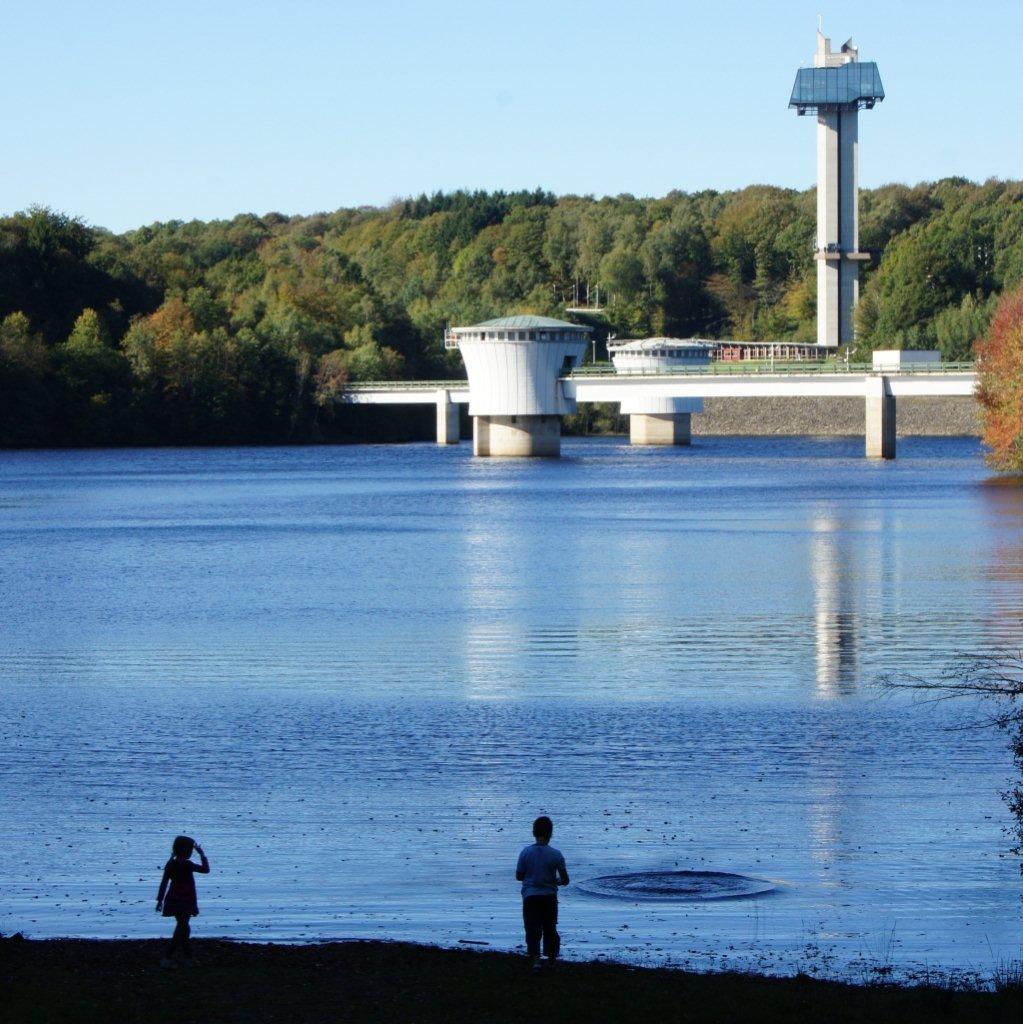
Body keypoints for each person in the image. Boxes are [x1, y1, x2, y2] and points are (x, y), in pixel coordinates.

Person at [515, 815, 569, 973]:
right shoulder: (556, 854)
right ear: (551, 834)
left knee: (532, 928)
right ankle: (551, 960)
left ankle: (536, 962)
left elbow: (519, 876)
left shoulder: (525, 852)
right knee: (550, 928)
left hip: (530, 896)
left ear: (533, 832)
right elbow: (565, 880)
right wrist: (555, 881)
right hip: (549, 896)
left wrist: (532, 877)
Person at [156, 835, 210, 967]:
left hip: (173, 900)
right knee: (182, 929)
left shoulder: (171, 864)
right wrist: (202, 854)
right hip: (185, 900)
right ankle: (169, 958)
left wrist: (160, 900)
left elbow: (163, 883)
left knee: (183, 928)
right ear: (184, 850)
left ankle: (187, 958)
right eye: (190, 849)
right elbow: (205, 870)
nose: (191, 852)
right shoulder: (186, 864)